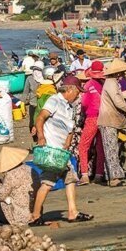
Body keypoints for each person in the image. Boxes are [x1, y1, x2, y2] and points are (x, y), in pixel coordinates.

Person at [31, 75, 93, 224]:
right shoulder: (54, 100)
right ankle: (35, 216)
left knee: (70, 178)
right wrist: (41, 137)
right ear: (70, 89)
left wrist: (68, 144)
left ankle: (72, 212)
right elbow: (40, 118)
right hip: (52, 149)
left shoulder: (69, 107)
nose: (78, 95)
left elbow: (70, 129)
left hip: (62, 151)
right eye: (77, 91)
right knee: (47, 182)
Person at [97, 59, 126, 187]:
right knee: (111, 149)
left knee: (112, 148)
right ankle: (114, 177)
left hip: (111, 120)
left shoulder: (112, 83)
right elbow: (118, 102)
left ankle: (111, 175)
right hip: (108, 120)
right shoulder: (111, 83)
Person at [77, 61, 105, 185]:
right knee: (100, 146)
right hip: (104, 117)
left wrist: (82, 115)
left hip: (92, 117)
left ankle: (84, 175)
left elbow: (84, 104)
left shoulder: (88, 85)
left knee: (83, 146)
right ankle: (99, 173)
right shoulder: (104, 85)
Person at [23, 61, 45, 142]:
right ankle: (35, 140)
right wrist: (22, 103)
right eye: (34, 69)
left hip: (43, 105)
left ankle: (42, 139)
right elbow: (25, 91)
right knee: (32, 123)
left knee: (42, 123)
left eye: (38, 70)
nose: (36, 72)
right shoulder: (29, 78)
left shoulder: (45, 79)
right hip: (33, 104)